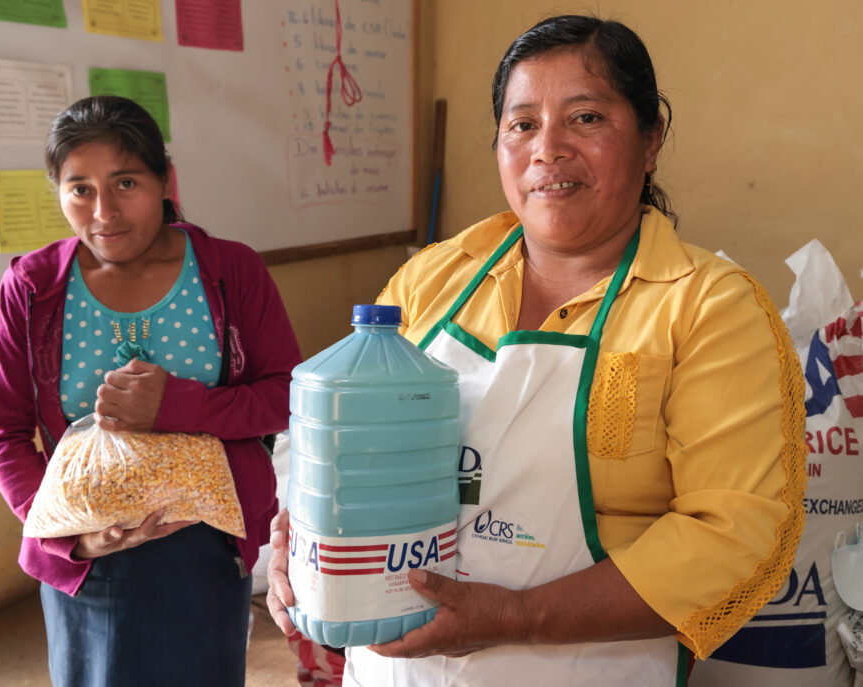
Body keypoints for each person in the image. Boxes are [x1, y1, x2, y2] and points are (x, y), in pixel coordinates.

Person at [267, 15, 807, 686]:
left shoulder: (708, 306)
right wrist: (295, 539)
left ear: (651, 139)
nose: (547, 149)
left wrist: (520, 615)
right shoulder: (435, 276)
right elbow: (333, 436)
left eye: (584, 118)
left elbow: (732, 533)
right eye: (522, 124)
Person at [0, 95, 302, 686]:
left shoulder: (231, 272)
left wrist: (179, 405)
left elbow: (284, 396)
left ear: (164, 179)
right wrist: (73, 534)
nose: (104, 212)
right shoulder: (33, 289)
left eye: (126, 182)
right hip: (89, 566)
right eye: (80, 189)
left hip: (207, 546)